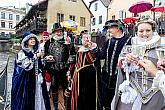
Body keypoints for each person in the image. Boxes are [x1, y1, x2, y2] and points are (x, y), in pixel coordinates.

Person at [111, 19, 165, 110]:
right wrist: (126, 62)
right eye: (141, 31)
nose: (144, 34)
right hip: (133, 91)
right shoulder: (130, 47)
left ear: (153, 31)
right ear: (136, 32)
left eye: (148, 30)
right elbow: (120, 67)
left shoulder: (161, 49)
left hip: (156, 93)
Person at [95, 20, 131, 110]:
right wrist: (93, 48)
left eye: (110, 28)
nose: (108, 30)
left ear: (118, 28)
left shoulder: (129, 41)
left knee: (117, 102)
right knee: (105, 102)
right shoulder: (109, 41)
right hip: (106, 77)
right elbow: (102, 55)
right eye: (108, 28)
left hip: (120, 79)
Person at [11, 32, 51, 110]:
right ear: (26, 41)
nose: (33, 40)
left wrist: (45, 59)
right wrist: (36, 56)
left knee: (39, 94)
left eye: (34, 39)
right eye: (31, 39)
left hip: (37, 78)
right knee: (27, 99)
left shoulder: (36, 50)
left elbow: (38, 64)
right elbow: (27, 66)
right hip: (26, 80)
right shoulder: (22, 53)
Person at [44, 22, 69, 110]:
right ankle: (55, 106)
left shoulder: (67, 42)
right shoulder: (48, 43)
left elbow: (72, 55)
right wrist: (47, 58)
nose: (58, 33)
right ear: (53, 32)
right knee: (54, 88)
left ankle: (66, 105)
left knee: (66, 87)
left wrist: (67, 64)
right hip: (53, 69)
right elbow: (44, 55)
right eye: (56, 31)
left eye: (60, 31)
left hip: (64, 70)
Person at [70, 34, 97, 110]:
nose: (86, 39)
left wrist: (90, 48)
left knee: (87, 95)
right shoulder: (79, 48)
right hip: (78, 74)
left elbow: (91, 60)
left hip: (88, 76)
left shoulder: (93, 48)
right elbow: (75, 61)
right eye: (84, 38)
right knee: (78, 94)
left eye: (88, 38)